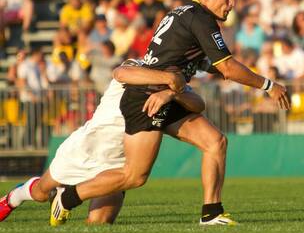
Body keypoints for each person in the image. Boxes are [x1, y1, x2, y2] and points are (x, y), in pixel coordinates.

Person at [49, 0, 290, 226]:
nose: (231, 3)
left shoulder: (186, 13)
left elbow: (203, 62)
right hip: (146, 96)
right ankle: (68, 197)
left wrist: (203, 76)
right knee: (135, 176)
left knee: (215, 142)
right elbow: (227, 68)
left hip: (166, 93)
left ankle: (212, 213)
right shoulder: (201, 18)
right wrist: (267, 85)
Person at [0, 60, 204, 224]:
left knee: (99, 222)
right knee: (40, 193)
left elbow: (198, 104)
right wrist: (169, 80)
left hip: (118, 164)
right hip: (87, 148)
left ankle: (67, 195)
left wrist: (172, 92)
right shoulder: (137, 66)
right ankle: (13, 198)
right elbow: (120, 73)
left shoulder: (174, 85)